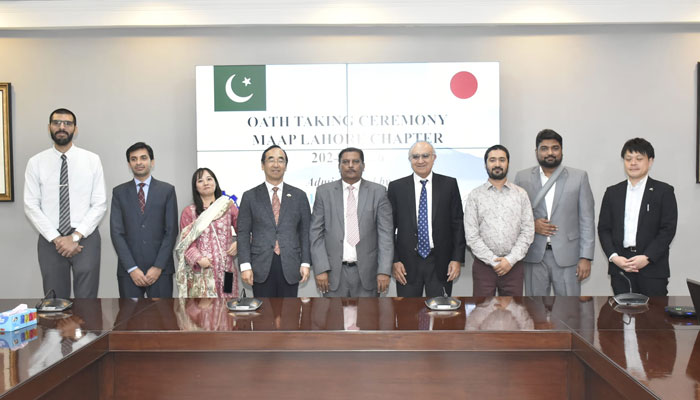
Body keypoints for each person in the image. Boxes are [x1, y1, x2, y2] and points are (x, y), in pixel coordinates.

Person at [24, 108, 107, 299]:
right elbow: (30, 204)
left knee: (87, 301)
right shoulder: (36, 162)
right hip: (50, 239)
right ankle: (56, 331)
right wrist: (57, 238)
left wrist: (75, 237)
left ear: (75, 129)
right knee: (54, 301)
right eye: (57, 123)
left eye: (67, 123)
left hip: (85, 236)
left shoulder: (92, 160)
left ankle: (86, 331)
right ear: (49, 127)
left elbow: (100, 203)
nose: (62, 127)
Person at [514, 129, 595, 296]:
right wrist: (532, 225)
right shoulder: (522, 177)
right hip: (534, 255)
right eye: (544, 148)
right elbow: (514, 216)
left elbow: (587, 219)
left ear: (562, 150)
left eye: (555, 148)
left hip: (568, 256)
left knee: (569, 312)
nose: (550, 153)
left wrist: (585, 257)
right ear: (536, 152)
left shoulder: (579, 177)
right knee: (535, 310)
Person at [598, 138, 677, 296]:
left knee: (654, 317)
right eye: (628, 159)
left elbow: (667, 230)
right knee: (622, 316)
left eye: (639, 159)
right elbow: (604, 229)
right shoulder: (613, 192)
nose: (633, 163)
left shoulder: (664, 191)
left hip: (652, 267)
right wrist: (614, 257)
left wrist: (647, 257)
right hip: (621, 266)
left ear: (650, 161)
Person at [310, 147, 393, 297]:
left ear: (363, 165)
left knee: (367, 320)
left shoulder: (378, 192)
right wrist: (321, 268)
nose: (350, 165)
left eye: (355, 161)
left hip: (368, 274)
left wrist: (384, 270)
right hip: (333, 274)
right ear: (339, 166)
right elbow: (316, 233)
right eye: (345, 162)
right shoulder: (324, 192)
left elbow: (386, 235)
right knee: (333, 320)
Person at [387, 141, 466, 297]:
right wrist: (394, 261)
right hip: (406, 264)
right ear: (410, 160)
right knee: (407, 316)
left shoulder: (449, 184)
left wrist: (456, 259)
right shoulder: (397, 187)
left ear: (434, 158)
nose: (420, 160)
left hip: (440, 262)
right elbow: (389, 228)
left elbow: (457, 224)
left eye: (425, 156)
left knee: (440, 315)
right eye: (415, 156)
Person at [237, 145, 311, 297]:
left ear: (285, 166)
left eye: (281, 160)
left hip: (291, 264)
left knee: (290, 317)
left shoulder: (299, 196)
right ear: (262, 165)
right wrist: (245, 265)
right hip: (260, 265)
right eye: (271, 160)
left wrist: (305, 262)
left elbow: (305, 233)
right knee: (262, 318)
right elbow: (243, 233)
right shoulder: (250, 196)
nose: (276, 164)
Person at [110, 142, 178, 298]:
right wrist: (132, 268)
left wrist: (158, 267)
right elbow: (116, 233)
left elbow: (171, 231)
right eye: (133, 159)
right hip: (129, 272)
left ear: (152, 162)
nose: (138, 162)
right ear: (129, 164)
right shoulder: (119, 192)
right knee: (130, 319)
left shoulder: (167, 190)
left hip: (161, 271)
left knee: (162, 320)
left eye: (143, 158)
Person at [464, 144, 534, 296]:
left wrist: (509, 260)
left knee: (513, 313)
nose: (497, 164)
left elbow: (528, 231)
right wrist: (493, 260)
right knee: (483, 314)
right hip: (484, 266)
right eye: (492, 160)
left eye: (502, 160)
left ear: (508, 163)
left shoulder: (520, 194)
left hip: (513, 266)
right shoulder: (475, 196)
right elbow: (471, 235)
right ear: (485, 164)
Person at [176, 168, 239, 298]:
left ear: (215, 182)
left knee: (228, 307)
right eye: (200, 180)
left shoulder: (228, 207)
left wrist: (239, 243)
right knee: (204, 312)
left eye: (209, 179)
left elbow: (245, 231)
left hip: (226, 270)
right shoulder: (189, 212)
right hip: (202, 272)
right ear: (195, 186)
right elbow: (186, 244)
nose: (206, 183)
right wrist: (199, 259)